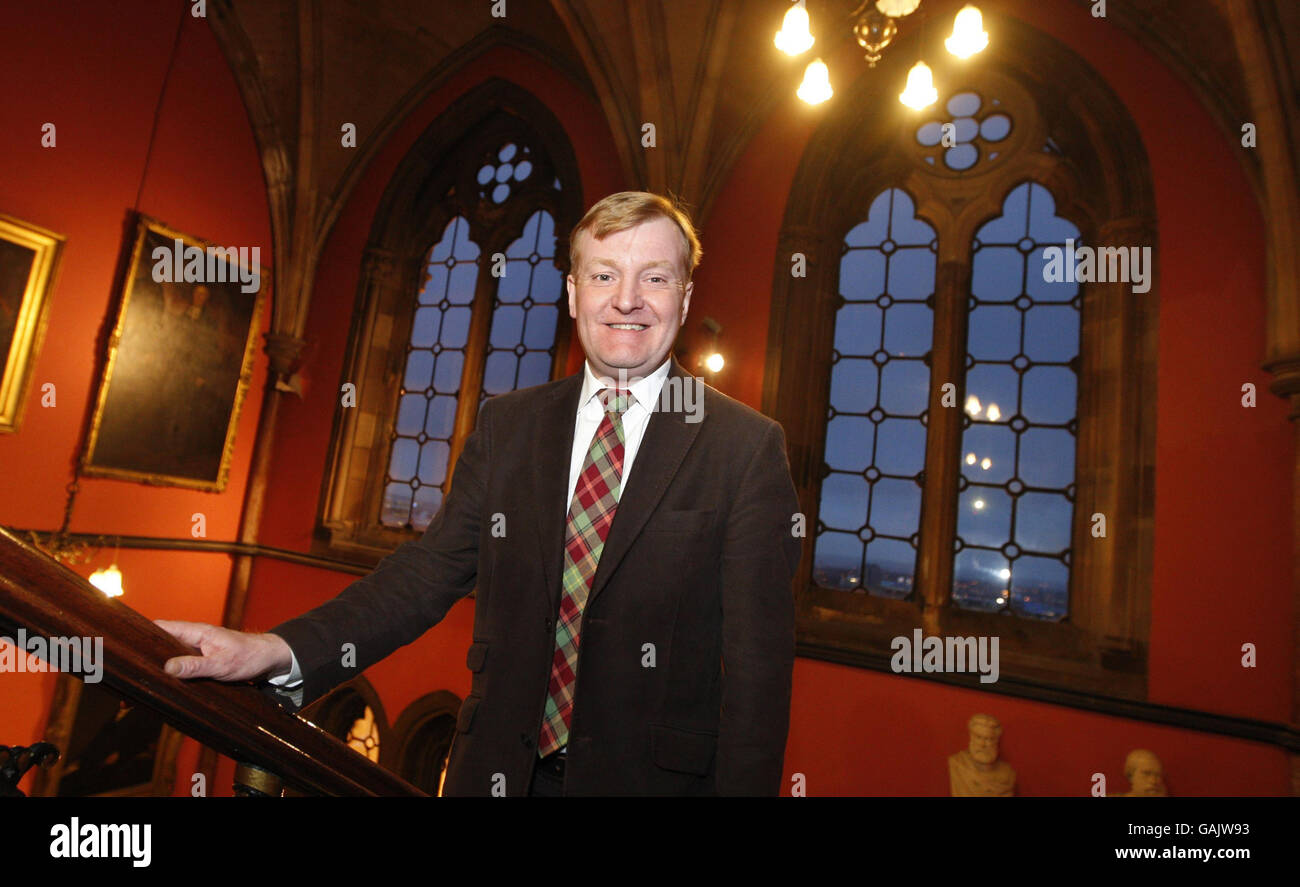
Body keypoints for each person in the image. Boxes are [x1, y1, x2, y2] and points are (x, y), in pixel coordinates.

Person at [156, 191, 803, 796]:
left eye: (654, 277)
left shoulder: (744, 448)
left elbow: (758, 682)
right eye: (605, 275)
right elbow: (426, 573)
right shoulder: (509, 424)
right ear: (574, 293)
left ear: (684, 298)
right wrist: (282, 648)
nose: (626, 299)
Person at [948, 713, 1016, 796]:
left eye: (988, 739)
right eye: (978, 737)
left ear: (996, 741)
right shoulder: (958, 764)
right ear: (971, 737)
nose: (982, 744)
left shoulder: (1007, 773)